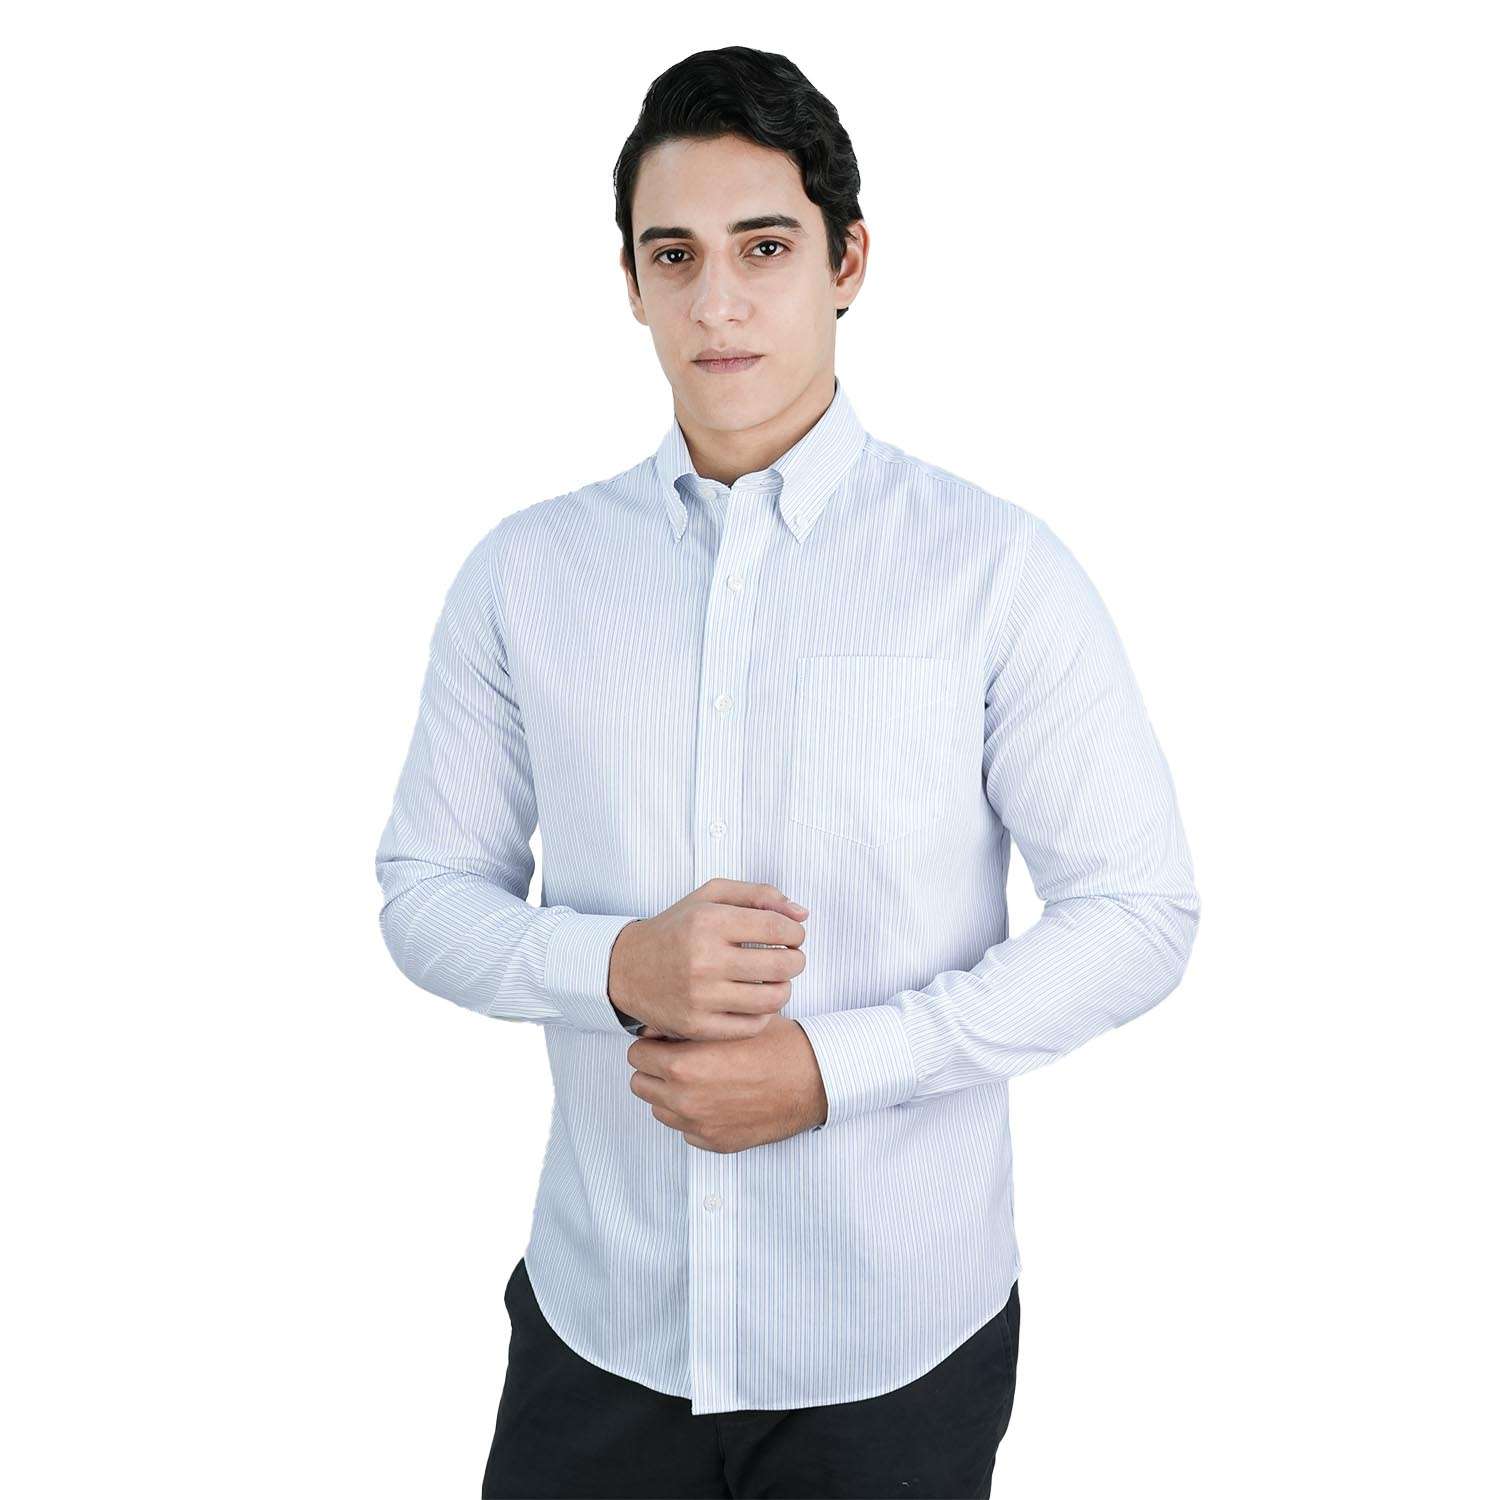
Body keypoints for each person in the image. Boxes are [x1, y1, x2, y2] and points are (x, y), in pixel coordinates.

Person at [374, 43, 1199, 1500]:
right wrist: (614, 964)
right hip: (604, 1319)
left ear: (848, 261)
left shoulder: (995, 571)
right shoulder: (526, 575)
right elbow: (424, 891)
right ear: (630, 282)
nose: (718, 302)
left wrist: (831, 1071)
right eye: (674, 255)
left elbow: (1138, 913)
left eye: (764, 247)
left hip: (892, 1341)